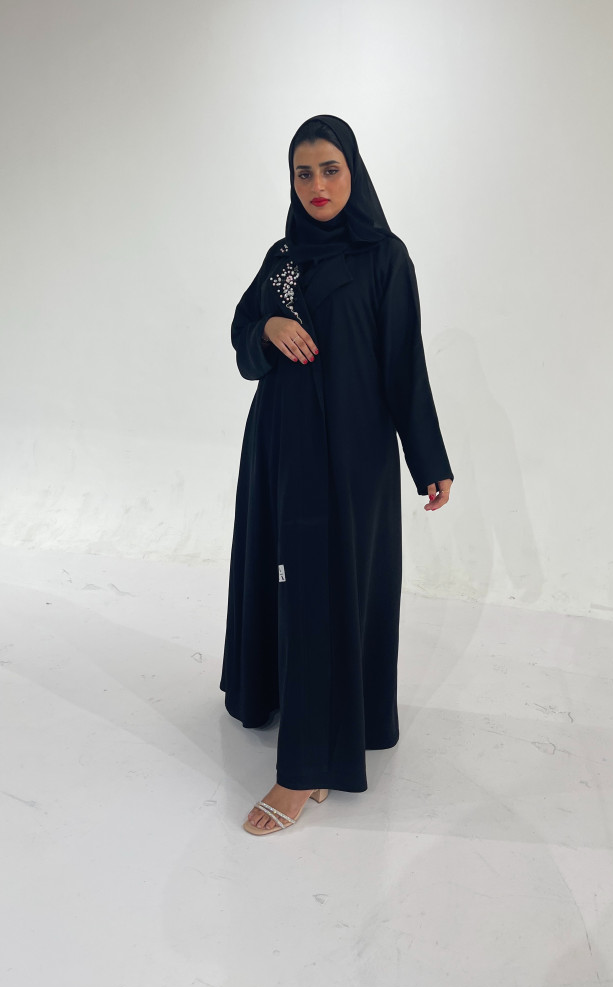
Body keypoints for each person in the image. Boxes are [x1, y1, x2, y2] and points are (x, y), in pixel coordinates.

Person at [220, 115, 454, 836]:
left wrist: (428, 459)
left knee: (326, 589)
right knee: (287, 580)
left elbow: (403, 365)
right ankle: (286, 698)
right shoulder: (283, 256)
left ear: (354, 171)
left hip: (350, 457)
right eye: (303, 173)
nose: (317, 185)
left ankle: (308, 767)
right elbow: (242, 331)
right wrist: (268, 329)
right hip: (278, 448)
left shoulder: (384, 257)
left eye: (330, 169)